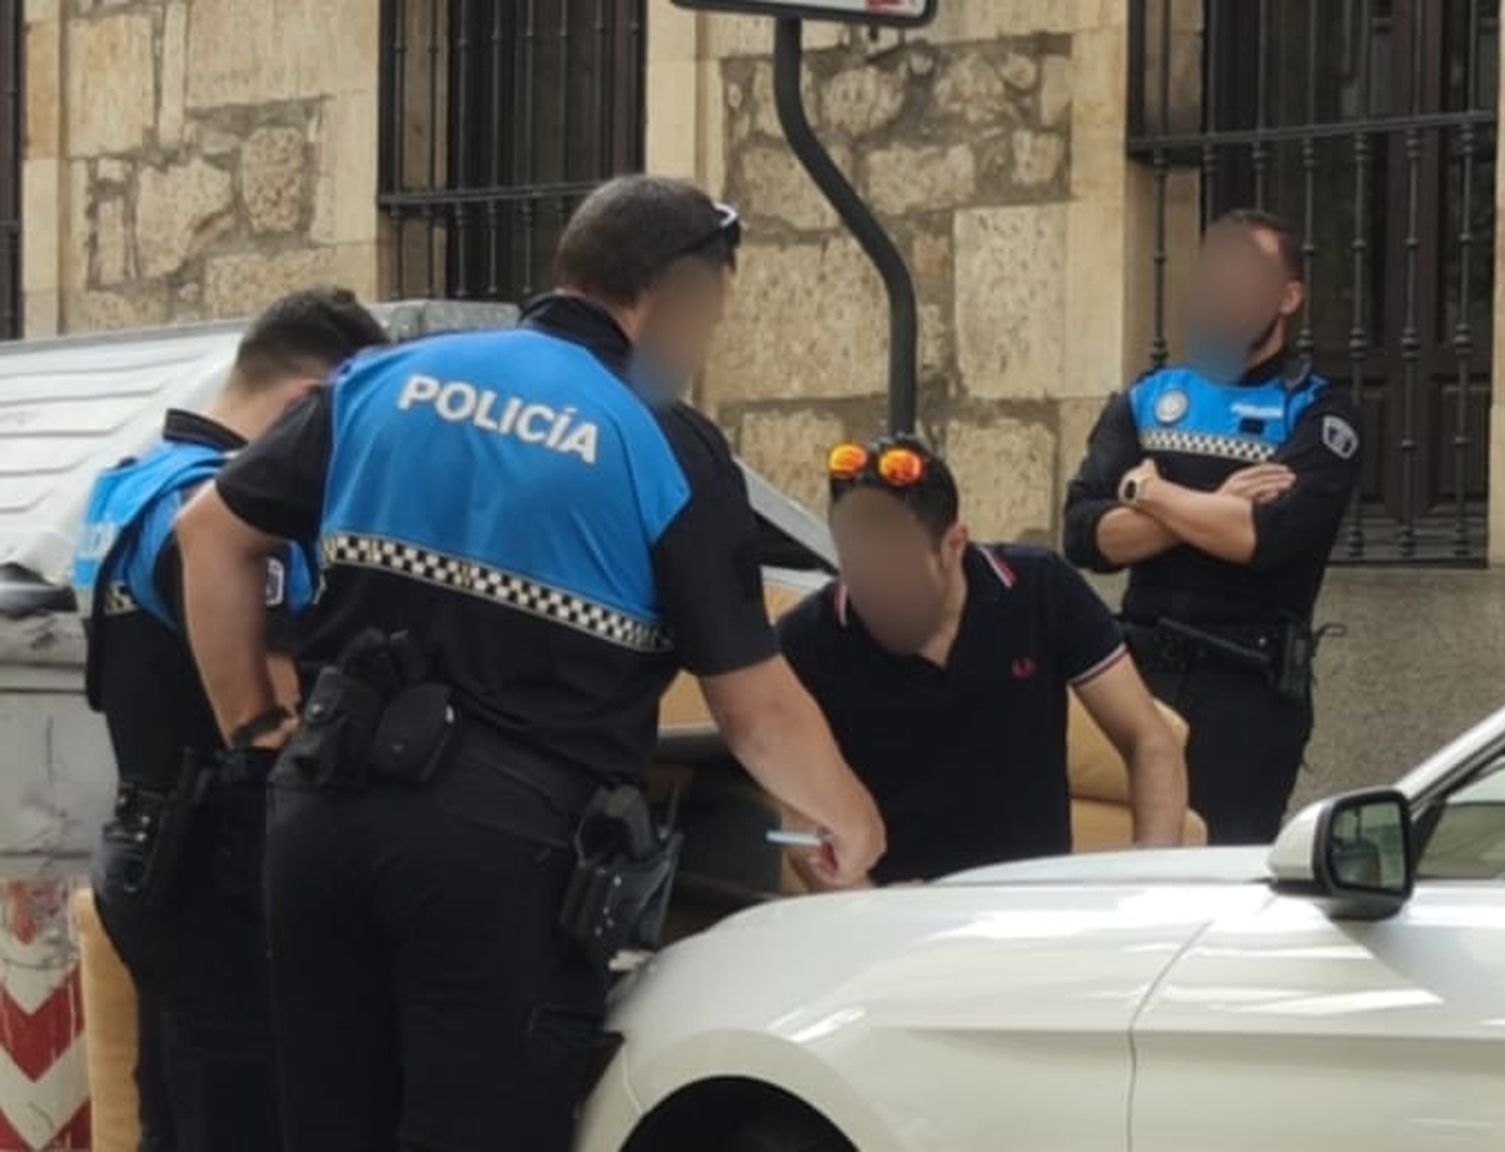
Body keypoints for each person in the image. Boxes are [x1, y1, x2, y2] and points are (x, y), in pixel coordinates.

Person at [172, 176, 887, 1152]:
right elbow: (754, 710)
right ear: (673, 296)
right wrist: (848, 819)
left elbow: (208, 533)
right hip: (500, 857)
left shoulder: (384, 381)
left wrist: (255, 727)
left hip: (318, 823)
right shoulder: (661, 442)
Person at [72, 288, 391, 1152]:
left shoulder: (124, 486)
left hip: (145, 849)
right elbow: (282, 713)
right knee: (244, 1114)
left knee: (172, 1116)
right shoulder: (232, 518)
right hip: (223, 867)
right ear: (303, 408)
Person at [1063, 209, 1362, 845]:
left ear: (1287, 297)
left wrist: (1149, 491)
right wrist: (1212, 504)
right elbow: (1087, 536)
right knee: (1124, 867)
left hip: (1247, 691)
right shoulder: (1149, 398)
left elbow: (1258, 539)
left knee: (1217, 876)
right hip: (1140, 677)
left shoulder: (1320, 412)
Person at [779, 437, 1188, 885]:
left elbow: (1148, 740)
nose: (876, 592)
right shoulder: (808, 640)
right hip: (893, 910)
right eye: (856, 564)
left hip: (1031, 902)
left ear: (955, 544)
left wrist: (1153, 873)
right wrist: (871, 908)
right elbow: (802, 826)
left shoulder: (1040, 591)